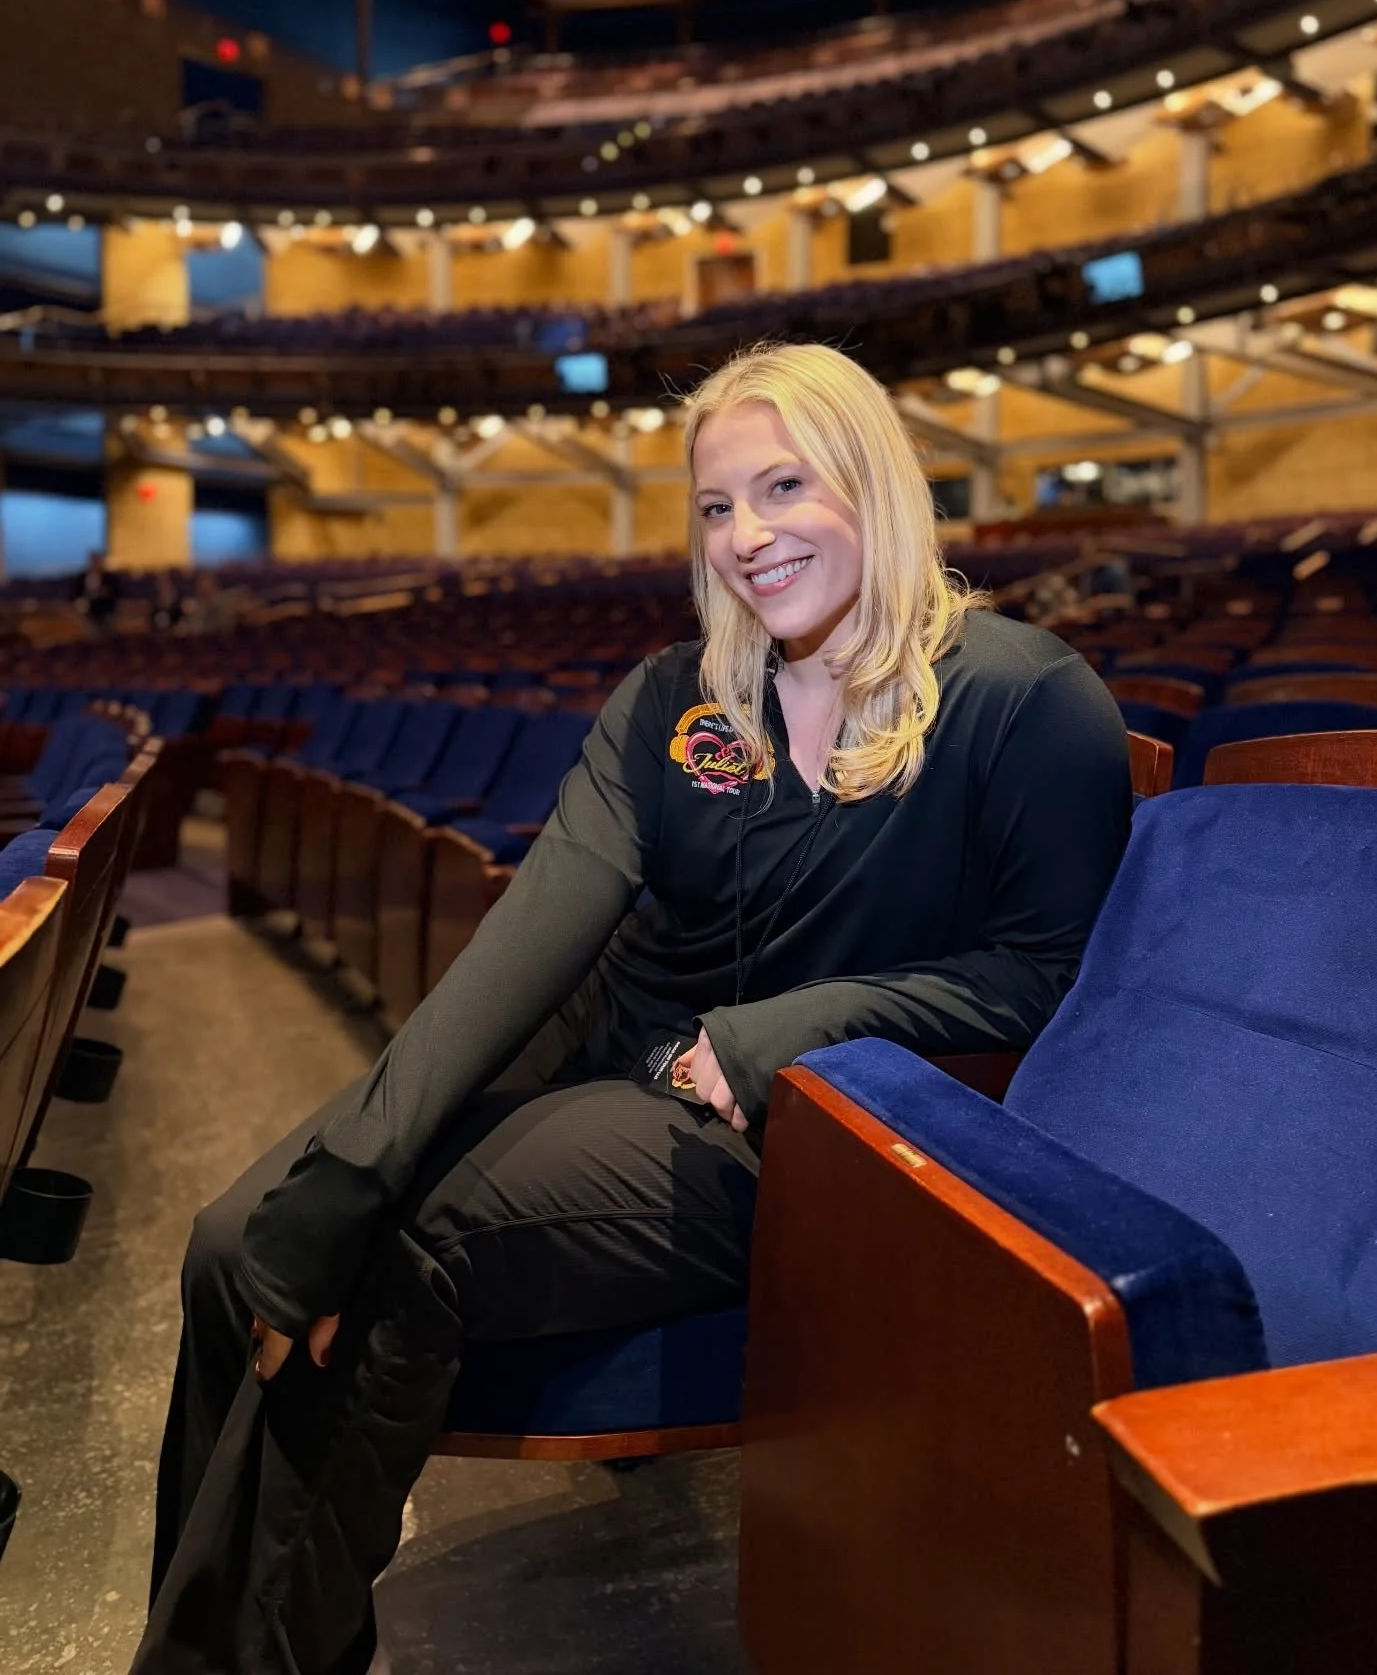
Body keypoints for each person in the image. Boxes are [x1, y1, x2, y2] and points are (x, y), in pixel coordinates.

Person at [133, 342, 1133, 1674]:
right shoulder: (680, 699)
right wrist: (349, 1161)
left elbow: (1053, 974)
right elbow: (533, 934)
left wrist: (789, 1028)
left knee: (396, 1246)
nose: (748, 537)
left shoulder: (1025, 698)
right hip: (616, 1070)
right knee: (236, 1242)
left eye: (786, 487)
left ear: (875, 485)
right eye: (718, 507)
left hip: (806, 1138)